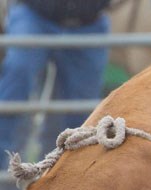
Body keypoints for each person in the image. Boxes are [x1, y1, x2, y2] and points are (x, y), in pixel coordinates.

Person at [0, 0, 111, 169]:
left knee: (81, 115)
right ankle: (4, 176)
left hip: (88, 21)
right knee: (15, 88)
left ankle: (63, 176)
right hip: (35, 14)